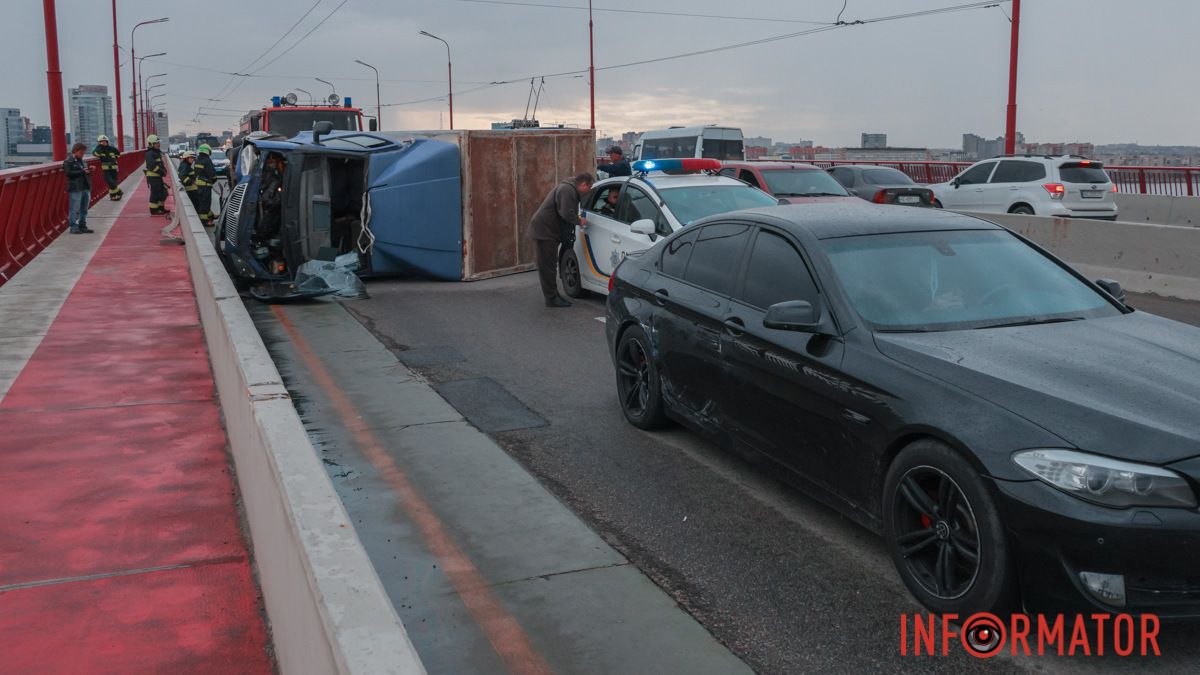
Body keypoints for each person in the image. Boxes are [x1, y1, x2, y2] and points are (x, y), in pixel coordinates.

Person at [528, 172, 593, 307]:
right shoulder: (567, 190)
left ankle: (554, 295)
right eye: (589, 188)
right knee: (547, 266)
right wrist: (580, 221)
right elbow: (566, 213)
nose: (589, 191)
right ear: (583, 184)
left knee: (550, 264)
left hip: (548, 231)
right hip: (544, 231)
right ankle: (551, 298)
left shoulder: (570, 189)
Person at [63, 143, 94, 234]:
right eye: (81, 152)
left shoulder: (82, 161)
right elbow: (68, 173)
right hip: (76, 187)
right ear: (75, 151)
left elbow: (85, 172)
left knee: (84, 208)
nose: (82, 154)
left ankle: (82, 225)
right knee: (75, 208)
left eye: (83, 152)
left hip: (85, 186)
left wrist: (89, 170)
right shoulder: (68, 161)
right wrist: (83, 171)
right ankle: (73, 227)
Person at [194, 144, 219, 227]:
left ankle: (210, 216)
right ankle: (205, 222)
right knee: (206, 203)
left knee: (202, 202)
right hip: (206, 186)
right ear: (207, 151)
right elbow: (212, 174)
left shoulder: (197, 160)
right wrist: (213, 180)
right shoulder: (207, 160)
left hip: (199, 185)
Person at [92, 134, 123, 201]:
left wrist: (114, 158)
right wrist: (100, 147)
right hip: (106, 170)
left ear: (107, 142)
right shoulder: (99, 149)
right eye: (101, 141)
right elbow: (95, 153)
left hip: (114, 169)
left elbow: (118, 154)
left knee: (113, 183)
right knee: (110, 182)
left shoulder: (112, 148)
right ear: (99, 143)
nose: (103, 142)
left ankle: (113, 197)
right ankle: (119, 192)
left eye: (105, 141)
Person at [143, 134, 167, 215]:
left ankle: (161, 208)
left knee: (161, 192)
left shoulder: (156, 152)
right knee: (155, 193)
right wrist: (161, 172)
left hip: (157, 176)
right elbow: (151, 165)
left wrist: (163, 171)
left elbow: (159, 164)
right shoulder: (150, 153)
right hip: (153, 176)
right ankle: (154, 210)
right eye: (156, 143)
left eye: (158, 143)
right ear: (151, 144)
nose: (158, 144)